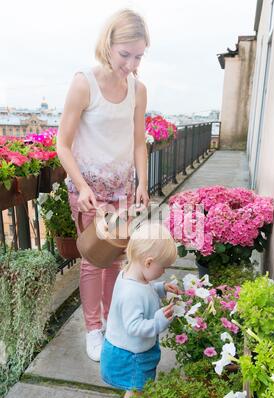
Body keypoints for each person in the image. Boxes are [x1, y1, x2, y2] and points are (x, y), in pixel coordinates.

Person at [56, 9, 150, 361]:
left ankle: (112, 323)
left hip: (124, 189)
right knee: (93, 259)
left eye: (139, 55)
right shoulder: (84, 82)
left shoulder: (138, 90)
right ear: (108, 44)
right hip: (89, 191)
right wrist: (81, 187)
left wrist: (142, 180)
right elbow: (62, 144)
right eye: (125, 54)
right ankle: (92, 330)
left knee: (117, 260)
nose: (131, 63)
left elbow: (139, 141)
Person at [100, 221, 183, 398]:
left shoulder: (131, 274)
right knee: (136, 388)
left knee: (137, 387)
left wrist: (160, 287)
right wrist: (158, 321)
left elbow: (144, 289)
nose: (164, 271)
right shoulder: (131, 293)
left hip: (131, 349)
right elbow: (134, 327)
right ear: (148, 262)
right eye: (162, 267)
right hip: (131, 354)